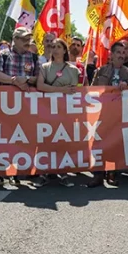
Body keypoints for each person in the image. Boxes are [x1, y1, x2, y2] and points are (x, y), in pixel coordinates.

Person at [0, 27, 40, 186]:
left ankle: (17, 171)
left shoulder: (33, 56)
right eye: (24, 39)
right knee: (3, 138)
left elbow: (38, 77)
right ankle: (0, 171)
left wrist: (25, 79)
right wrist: (14, 81)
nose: (27, 42)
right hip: (5, 104)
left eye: (28, 39)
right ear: (15, 39)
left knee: (23, 138)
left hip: (26, 105)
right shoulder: (3, 54)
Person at [89, 42, 128, 187]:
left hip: (120, 113)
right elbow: (92, 90)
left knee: (116, 142)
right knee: (98, 142)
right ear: (112, 54)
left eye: (123, 52)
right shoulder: (100, 71)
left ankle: (112, 173)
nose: (121, 55)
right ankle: (98, 174)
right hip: (102, 112)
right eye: (118, 52)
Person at [36, 38, 79, 188]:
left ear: (65, 50)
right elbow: (40, 86)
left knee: (62, 141)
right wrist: (61, 90)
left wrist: (56, 90)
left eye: (59, 46)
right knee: (46, 141)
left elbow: (73, 90)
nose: (55, 49)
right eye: (53, 46)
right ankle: (43, 172)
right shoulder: (45, 67)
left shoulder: (73, 69)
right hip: (47, 110)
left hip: (65, 111)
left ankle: (63, 172)